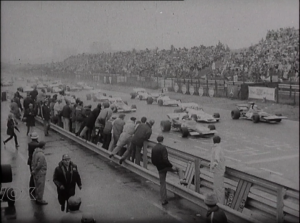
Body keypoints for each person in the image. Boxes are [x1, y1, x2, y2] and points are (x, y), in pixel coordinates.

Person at [151, 135, 187, 205]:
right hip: (166, 167)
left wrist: (158, 166)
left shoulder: (154, 148)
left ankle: (163, 200)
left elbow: (152, 160)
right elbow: (165, 159)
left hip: (159, 168)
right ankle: (182, 180)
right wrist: (171, 166)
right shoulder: (163, 148)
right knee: (179, 169)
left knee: (162, 183)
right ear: (162, 140)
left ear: (157, 140)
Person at [209, 135, 225, 205]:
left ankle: (220, 203)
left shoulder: (216, 149)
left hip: (218, 170)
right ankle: (219, 202)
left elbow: (216, 159)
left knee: (218, 188)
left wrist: (212, 165)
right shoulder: (218, 148)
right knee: (219, 187)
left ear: (213, 141)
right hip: (219, 170)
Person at [27, 132, 40, 198]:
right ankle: (33, 189)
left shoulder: (30, 144)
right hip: (34, 161)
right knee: (34, 175)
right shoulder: (37, 144)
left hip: (30, 160)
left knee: (32, 174)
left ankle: (31, 188)